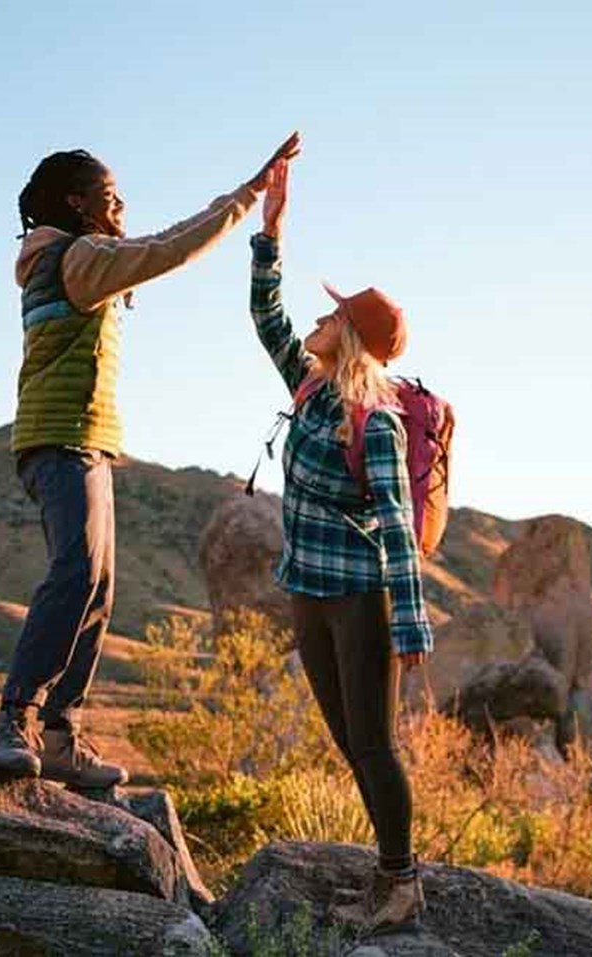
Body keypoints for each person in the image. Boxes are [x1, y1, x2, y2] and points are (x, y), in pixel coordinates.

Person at [0, 133, 302, 788]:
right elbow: (168, 248)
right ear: (78, 203)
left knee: (96, 588)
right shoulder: (79, 257)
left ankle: (61, 736)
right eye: (110, 195)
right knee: (75, 576)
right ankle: (14, 718)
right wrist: (246, 197)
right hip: (62, 436)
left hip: (83, 439)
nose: (121, 205)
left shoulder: (72, 258)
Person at [248, 157, 434, 931]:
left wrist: (411, 624)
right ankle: (388, 875)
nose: (316, 322)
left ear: (350, 335)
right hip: (308, 590)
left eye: (332, 316)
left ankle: (401, 882)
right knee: (347, 742)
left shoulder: (376, 421)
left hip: (359, 598)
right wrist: (271, 231)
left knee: (374, 744)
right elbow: (266, 315)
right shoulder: (308, 386)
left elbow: (396, 524)